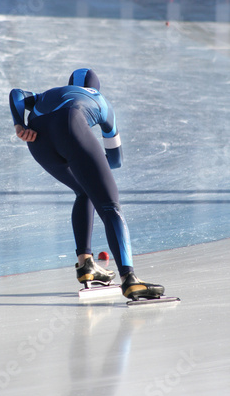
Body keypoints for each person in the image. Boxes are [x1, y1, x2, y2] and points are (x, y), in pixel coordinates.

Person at [9, 68, 165, 301]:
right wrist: (96, 167)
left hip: (38, 140)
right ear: (96, 87)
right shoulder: (101, 101)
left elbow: (16, 94)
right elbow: (115, 159)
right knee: (109, 205)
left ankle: (86, 264)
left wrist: (19, 126)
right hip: (71, 124)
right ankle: (130, 279)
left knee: (83, 191)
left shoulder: (50, 93)